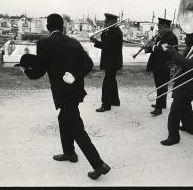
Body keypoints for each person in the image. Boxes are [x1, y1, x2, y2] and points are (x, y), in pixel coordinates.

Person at [19, 13, 110, 180]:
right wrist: (75, 76)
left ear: (48, 27)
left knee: (76, 128)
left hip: (63, 93)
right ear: (63, 27)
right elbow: (88, 63)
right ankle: (69, 153)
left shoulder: (44, 44)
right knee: (64, 119)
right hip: (75, 91)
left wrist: (25, 70)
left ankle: (99, 165)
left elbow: (38, 72)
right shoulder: (74, 42)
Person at [160, 28, 193, 146]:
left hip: (189, 85)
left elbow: (188, 64)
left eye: (187, 36)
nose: (185, 39)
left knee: (175, 110)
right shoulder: (192, 48)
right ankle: (189, 127)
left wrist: (174, 53)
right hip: (185, 83)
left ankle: (173, 136)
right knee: (185, 106)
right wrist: (174, 62)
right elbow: (184, 62)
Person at [145, 18, 178, 116]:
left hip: (164, 65)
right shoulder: (163, 36)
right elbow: (158, 48)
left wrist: (153, 46)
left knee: (161, 86)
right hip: (158, 64)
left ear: (165, 26)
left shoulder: (170, 37)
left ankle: (159, 108)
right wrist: (149, 48)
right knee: (160, 86)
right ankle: (161, 104)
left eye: (159, 27)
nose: (158, 29)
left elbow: (164, 51)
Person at [90, 13, 123, 112]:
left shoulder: (116, 32)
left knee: (107, 82)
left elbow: (107, 46)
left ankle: (106, 105)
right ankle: (115, 100)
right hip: (110, 60)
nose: (105, 23)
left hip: (112, 62)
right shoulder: (110, 30)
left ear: (112, 22)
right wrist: (104, 29)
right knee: (112, 80)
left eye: (106, 21)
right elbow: (105, 40)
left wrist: (95, 42)